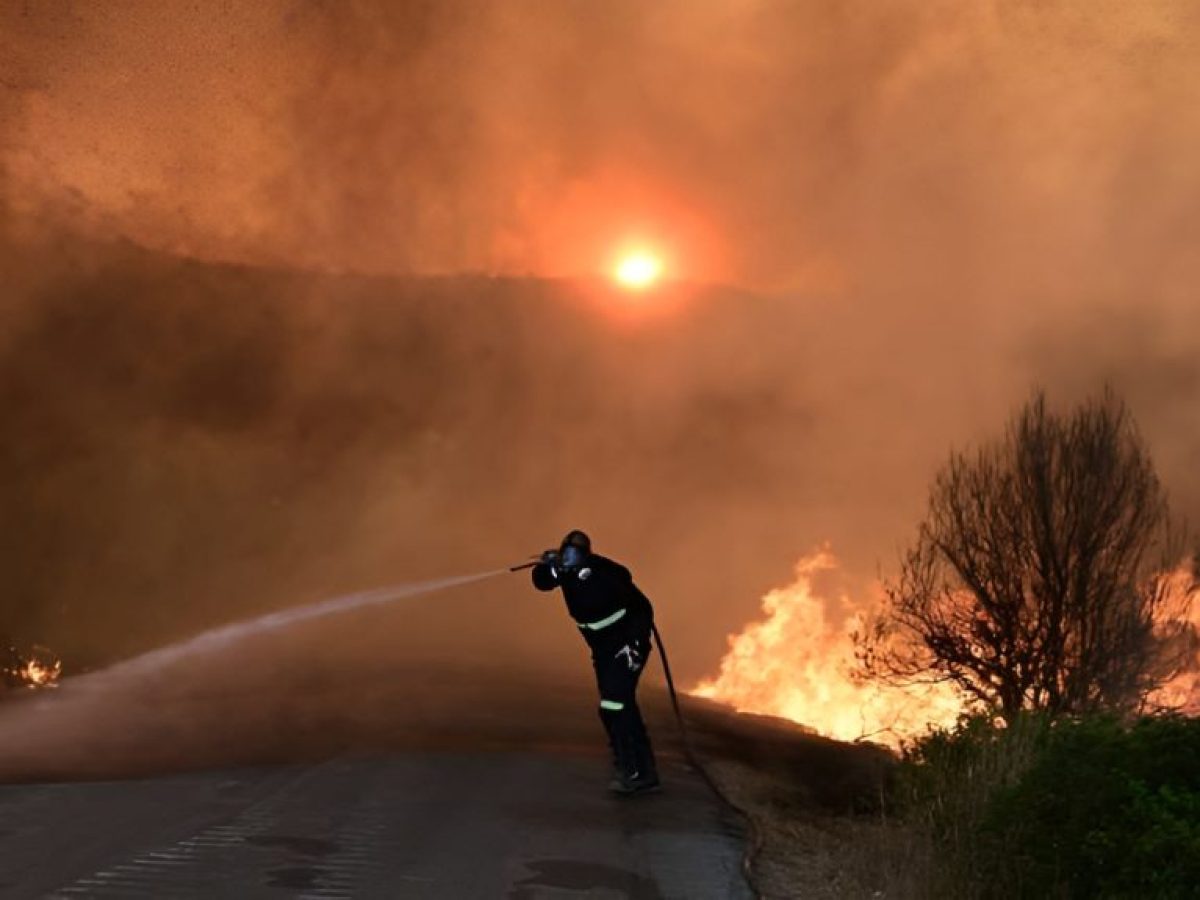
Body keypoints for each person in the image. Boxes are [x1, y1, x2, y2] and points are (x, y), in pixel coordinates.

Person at [532, 530, 660, 794]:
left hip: (625, 645)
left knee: (614, 703)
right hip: (602, 649)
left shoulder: (602, 571)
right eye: (565, 553)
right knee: (617, 705)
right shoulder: (564, 573)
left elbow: (638, 602)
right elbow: (542, 582)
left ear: (586, 554)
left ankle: (633, 771)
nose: (569, 559)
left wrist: (634, 645)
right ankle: (640, 769)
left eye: (574, 554)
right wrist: (548, 566)